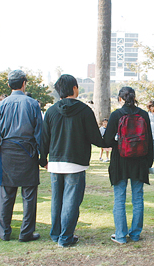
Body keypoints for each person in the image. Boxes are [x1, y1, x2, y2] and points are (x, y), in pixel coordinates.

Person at [41, 74, 106, 248]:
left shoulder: (51, 111)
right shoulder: (84, 110)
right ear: (75, 88)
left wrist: (42, 160)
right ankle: (66, 237)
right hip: (76, 162)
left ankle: (57, 234)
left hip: (55, 161)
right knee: (71, 201)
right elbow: (95, 137)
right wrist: (110, 142)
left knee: (57, 200)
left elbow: (44, 138)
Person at [0, 70, 44, 242]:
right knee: (29, 195)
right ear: (24, 83)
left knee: (7, 194)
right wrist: (43, 156)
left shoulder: (1, 105)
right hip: (28, 152)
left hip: (7, 152)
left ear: (9, 85)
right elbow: (39, 133)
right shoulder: (33, 104)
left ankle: (4, 232)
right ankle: (26, 233)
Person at [104, 87, 154, 244]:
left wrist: (118, 143)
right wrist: (148, 162)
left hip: (120, 160)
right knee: (138, 197)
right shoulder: (143, 114)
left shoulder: (116, 115)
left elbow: (106, 141)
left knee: (119, 198)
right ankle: (135, 234)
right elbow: (149, 141)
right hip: (139, 161)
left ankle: (120, 235)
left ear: (120, 99)